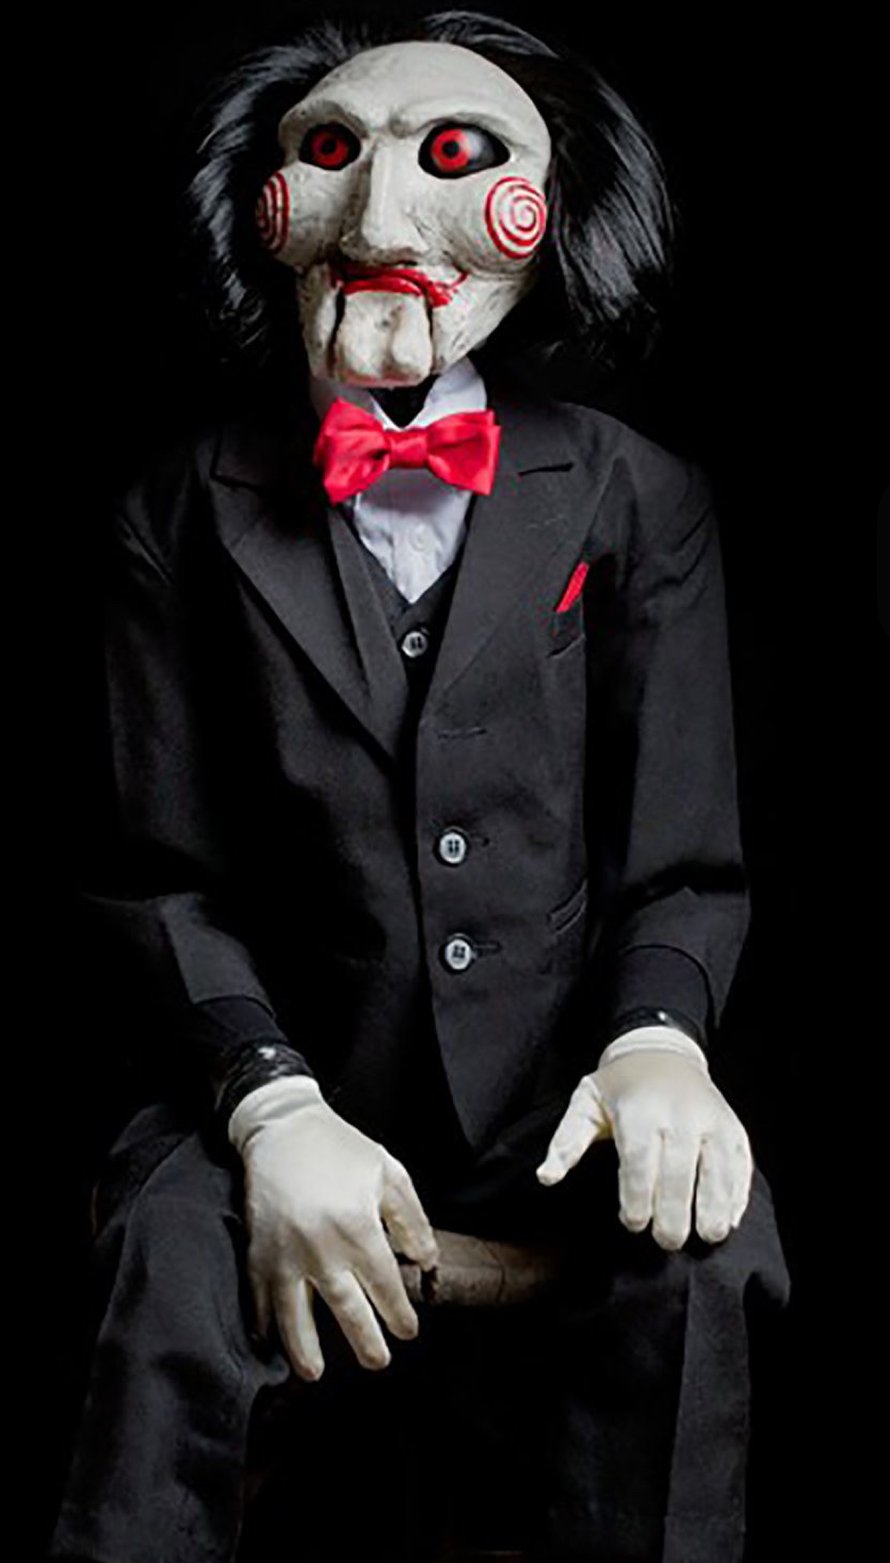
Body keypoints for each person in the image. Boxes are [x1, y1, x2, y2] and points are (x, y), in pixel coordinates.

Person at [50, 10, 791, 1562]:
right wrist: (270, 1103)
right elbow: (156, 874)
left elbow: (682, 858)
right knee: (166, 1274)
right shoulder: (175, 508)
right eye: (330, 153)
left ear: (558, 205)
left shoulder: (636, 494)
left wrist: (658, 1041)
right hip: (279, 1078)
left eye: (453, 155)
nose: (382, 216)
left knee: (703, 1260)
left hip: (548, 1103)